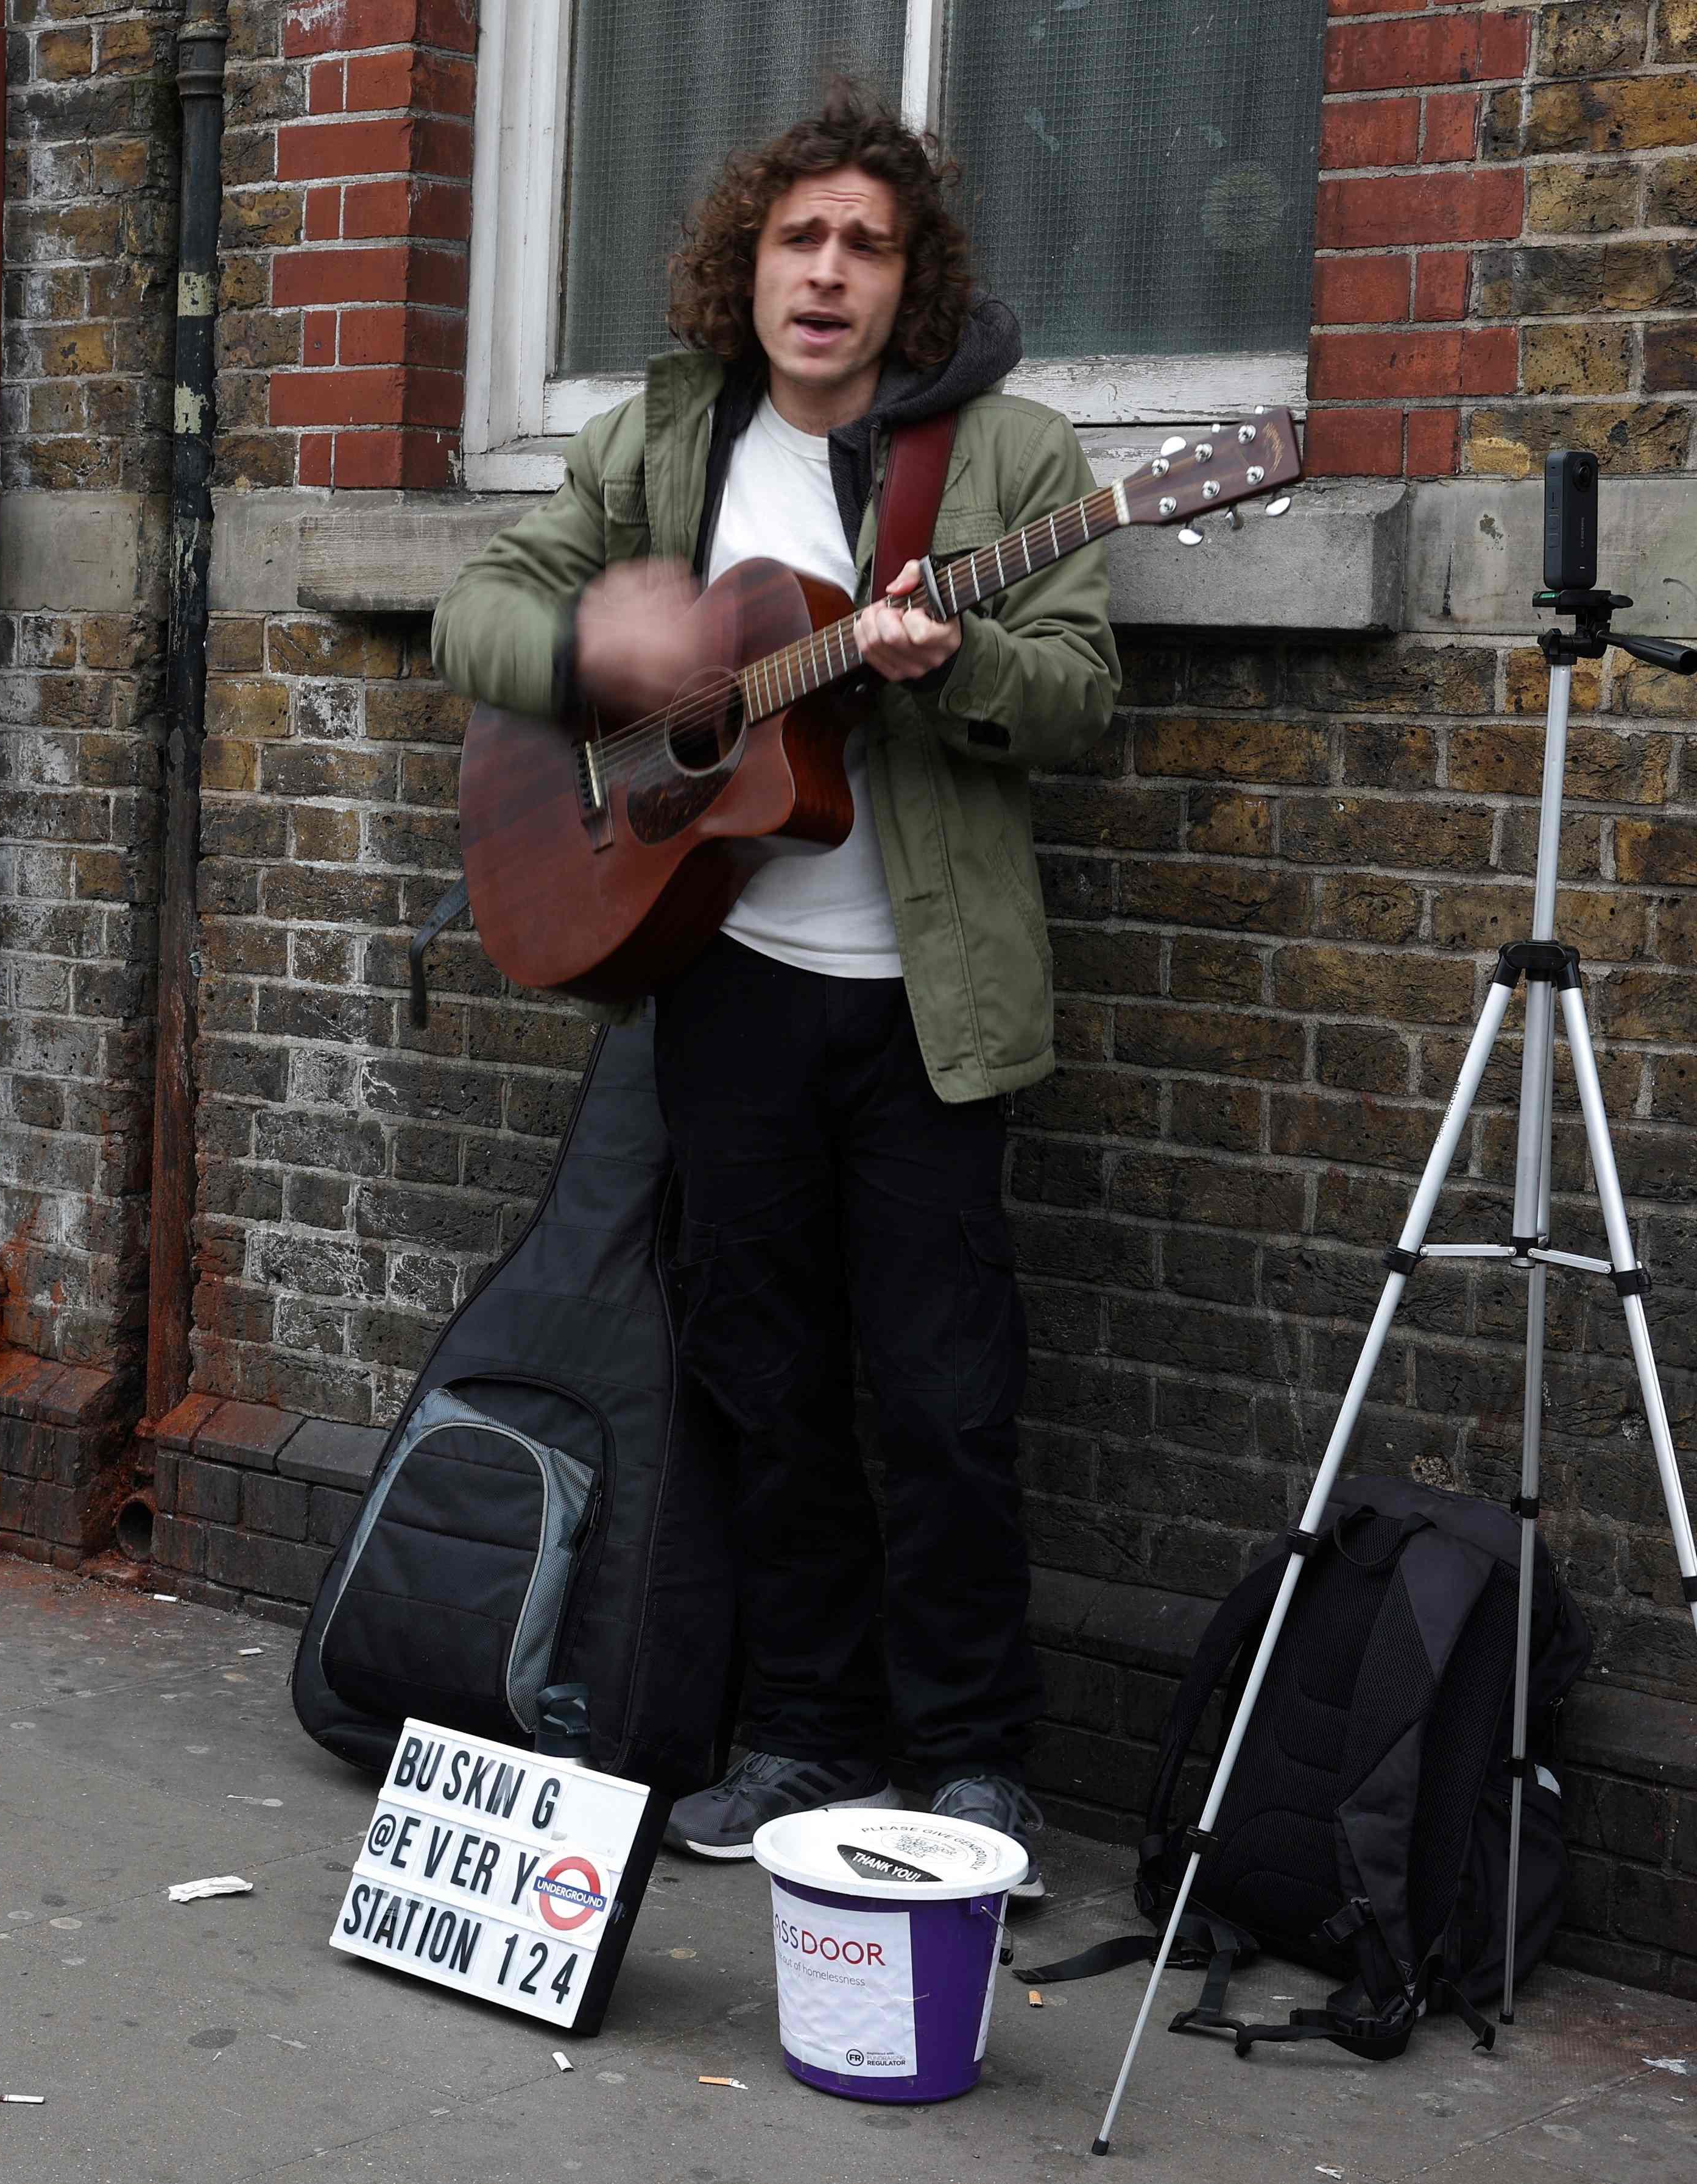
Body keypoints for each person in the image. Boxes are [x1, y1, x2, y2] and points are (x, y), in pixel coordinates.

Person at [431, 82, 1120, 1884]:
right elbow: (474, 614)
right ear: (746, 262)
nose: (826, 275)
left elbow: (1076, 697)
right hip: (724, 978)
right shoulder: (662, 444)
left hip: (923, 1002)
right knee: (765, 1379)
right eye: (797, 238)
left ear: (912, 284)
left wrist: (947, 659)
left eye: (866, 247)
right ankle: (806, 1732)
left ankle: (970, 1756)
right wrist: (598, 634)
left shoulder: (1006, 459)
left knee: (946, 1395)